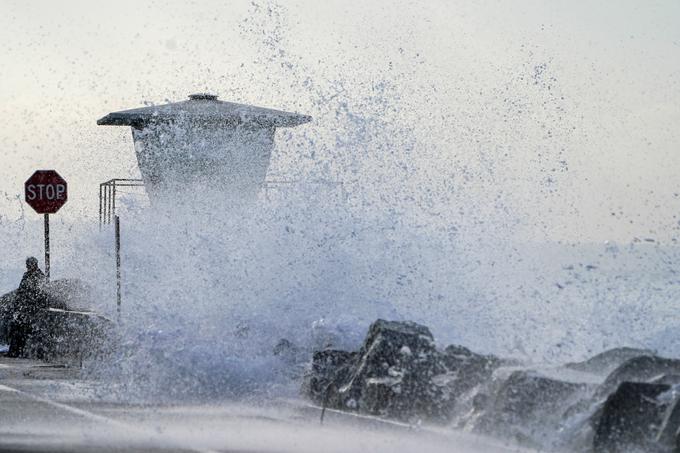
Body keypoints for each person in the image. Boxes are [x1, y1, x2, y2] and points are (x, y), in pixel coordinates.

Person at [7, 257, 47, 358]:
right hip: (24, 308)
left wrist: (31, 305)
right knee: (16, 326)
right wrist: (17, 304)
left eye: (28, 265)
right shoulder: (26, 275)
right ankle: (15, 351)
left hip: (33, 309)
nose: (27, 266)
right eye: (27, 265)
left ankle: (17, 352)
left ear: (34, 265)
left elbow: (39, 294)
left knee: (22, 327)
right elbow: (21, 291)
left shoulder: (40, 276)